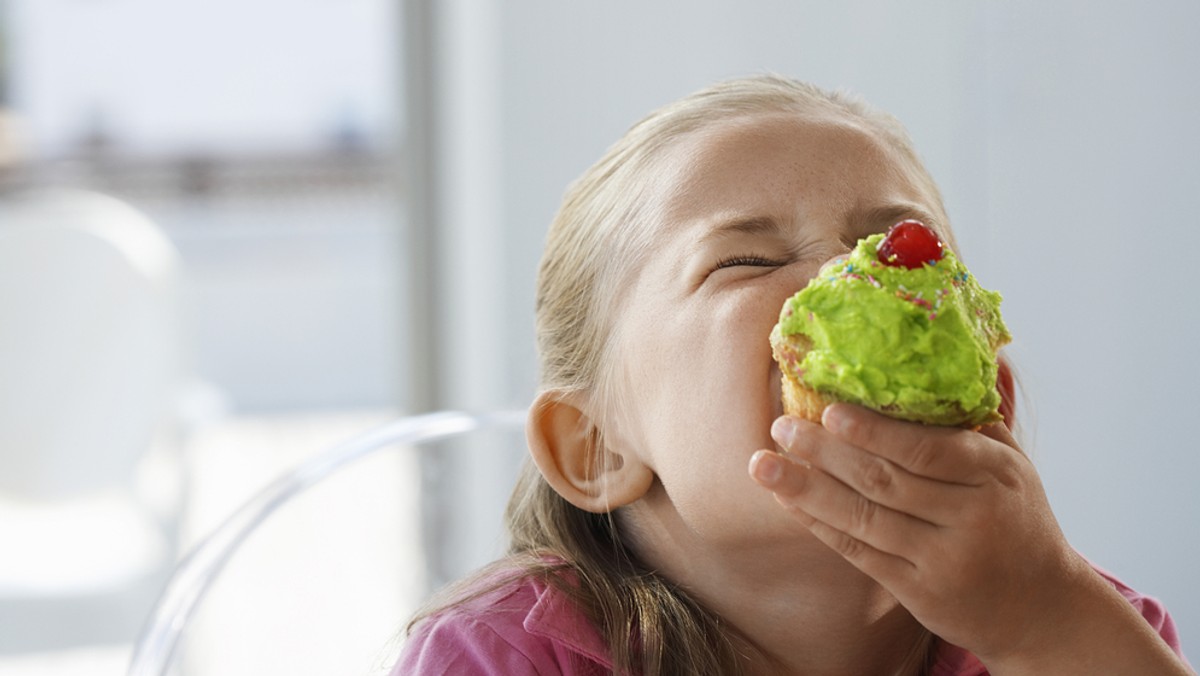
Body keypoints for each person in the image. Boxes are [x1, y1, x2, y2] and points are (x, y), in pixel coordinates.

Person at [394, 75, 1193, 675]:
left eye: (901, 251)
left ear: (991, 409)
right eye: (749, 260)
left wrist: (1044, 622)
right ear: (594, 447)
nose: (852, 275)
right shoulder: (498, 654)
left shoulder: (1073, 632)